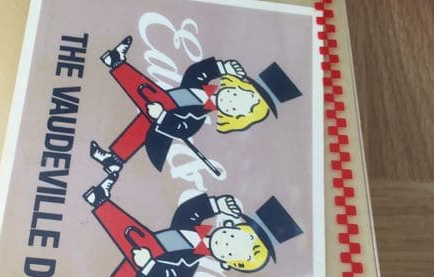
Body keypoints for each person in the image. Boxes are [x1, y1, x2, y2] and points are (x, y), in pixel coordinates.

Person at [69, 175, 303, 277]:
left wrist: (149, 265)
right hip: (145, 254)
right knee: (133, 258)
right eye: (232, 237)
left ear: (227, 263)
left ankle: (100, 202)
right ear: (230, 225)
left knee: (135, 255)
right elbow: (186, 212)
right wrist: (216, 204)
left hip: (148, 265)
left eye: (231, 252)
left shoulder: (188, 263)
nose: (226, 244)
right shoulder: (194, 231)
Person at [89, 36, 302, 175]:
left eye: (236, 108)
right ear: (235, 84)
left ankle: (116, 63)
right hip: (156, 115)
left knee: (155, 106)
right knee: (153, 104)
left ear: (235, 118)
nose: (231, 100)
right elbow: (194, 73)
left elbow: (183, 129)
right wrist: (221, 67)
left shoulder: (197, 118)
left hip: (159, 128)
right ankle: (114, 159)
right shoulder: (203, 89)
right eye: (237, 94)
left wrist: (162, 116)